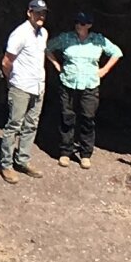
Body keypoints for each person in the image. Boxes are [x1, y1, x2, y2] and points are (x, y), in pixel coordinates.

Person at [50, 14, 122, 166]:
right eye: (77, 22)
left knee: (87, 118)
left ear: (89, 25)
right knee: (67, 117)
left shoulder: (98, 40)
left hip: (90, 84)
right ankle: (65, 152)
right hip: (68, 83)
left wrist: (104, 70)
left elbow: (117, 52)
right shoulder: (66, 38)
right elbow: (47, 48)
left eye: (83, 23)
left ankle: (85, 153)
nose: (79, 25)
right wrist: (57, 65)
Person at [0, 0, 50, 181]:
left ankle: (23, 160)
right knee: (14, 125)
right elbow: (6, 61)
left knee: (31, 124)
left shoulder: (44, 33)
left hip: (38, 86)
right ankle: (6, 164)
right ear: (29, 13)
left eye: (43, 13)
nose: (41, 16)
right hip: (21, 86)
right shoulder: (19, 34)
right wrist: (11, 80)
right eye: (37, 13)